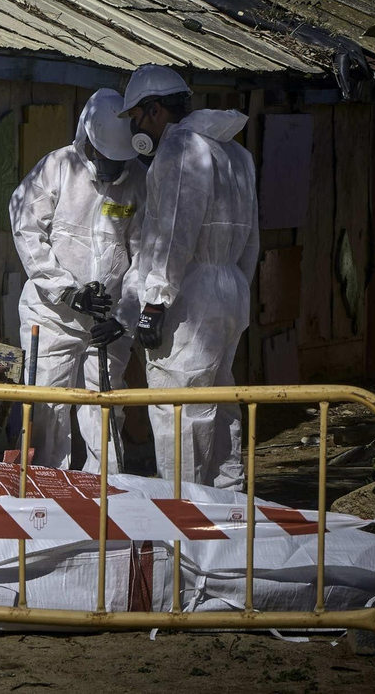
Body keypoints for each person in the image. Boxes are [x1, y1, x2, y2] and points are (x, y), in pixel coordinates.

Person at [118, 64, 259, 490]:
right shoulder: (236, 152)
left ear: (155, 110)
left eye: (136, 119)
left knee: (177, 407)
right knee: (218, 399)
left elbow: (173, 229)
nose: (136, 130)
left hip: (189, 296)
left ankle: (182, 518)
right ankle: (230, 506)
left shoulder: (180, 146)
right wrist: (238, 286)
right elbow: (252, 237)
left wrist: (155, 302)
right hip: (229, 287)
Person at [9, 88, 145, 472]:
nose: (109, 168)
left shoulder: (138, 181)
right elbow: (27, 230)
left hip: (107, 321)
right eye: (104, 158)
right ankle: (46, 500)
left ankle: (109, 500)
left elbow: (144, 256)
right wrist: (68, 291)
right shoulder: (57, 168)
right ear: (86, 141)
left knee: (104, 411)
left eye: (118, 161)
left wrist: (124, 318)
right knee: (47, 409)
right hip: (52, 317)